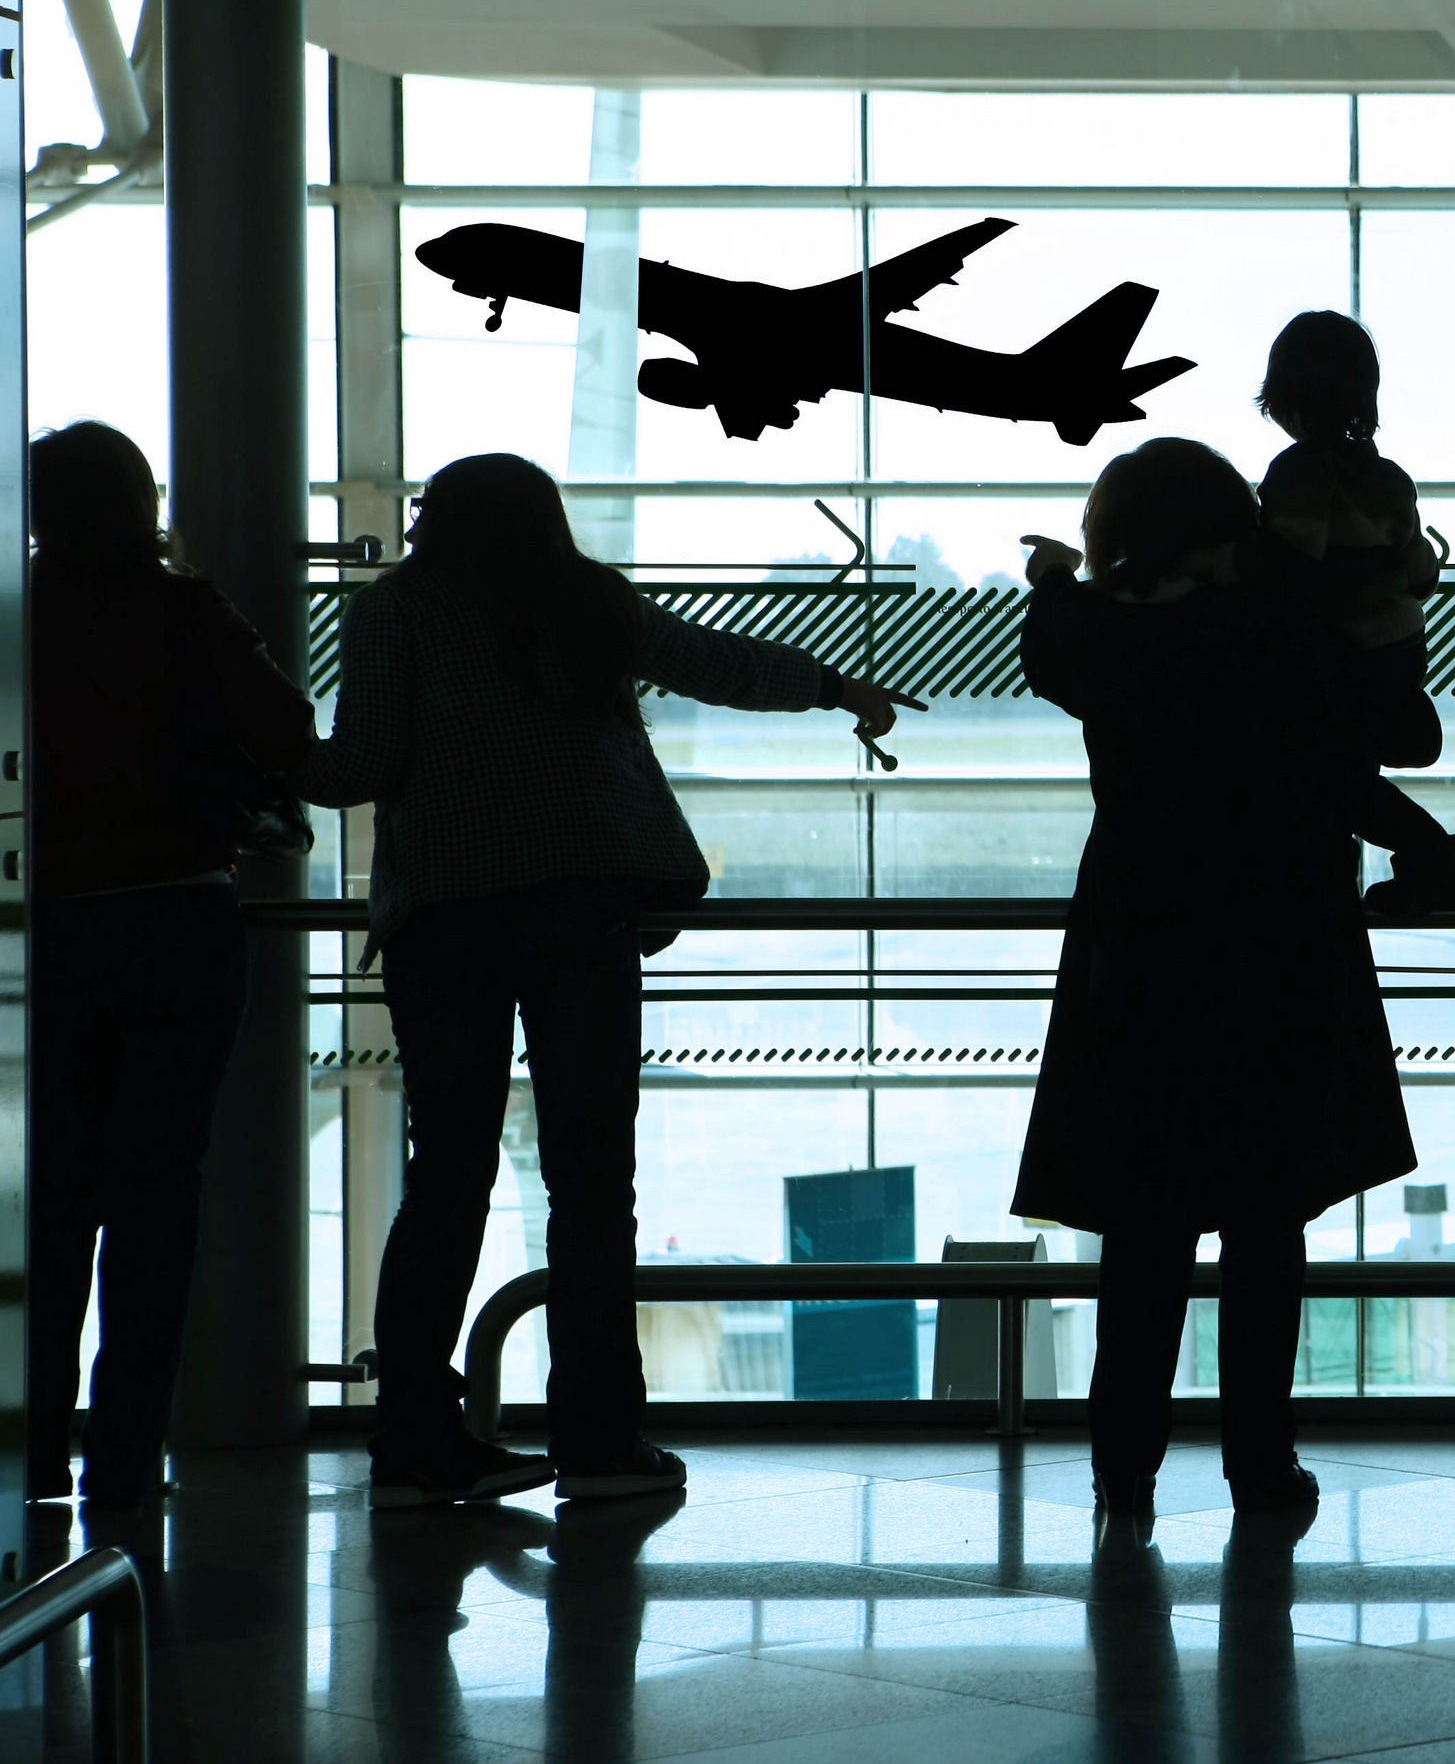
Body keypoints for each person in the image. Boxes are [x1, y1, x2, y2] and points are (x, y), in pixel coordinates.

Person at [301, 453, 922, 1509]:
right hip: (582, 917)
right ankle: (598, 1440)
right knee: (591, 1183)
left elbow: (358, 770)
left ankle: (414, 1438)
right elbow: (718, 665)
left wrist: (252, 752)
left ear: (436, 522)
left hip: (446, 925)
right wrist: (835, 688)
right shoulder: (585, 602)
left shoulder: (394, 612)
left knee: (446, 1177)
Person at [1010, 438, 1432, 1518]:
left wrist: (1058, 575)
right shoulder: (1283, 633)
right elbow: (1360, 759)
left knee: (1144, 1233)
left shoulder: (1106, 641)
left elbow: (1054, 644)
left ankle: (1123, 1468)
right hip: (1280, 947)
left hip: (1144, 953)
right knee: (1264, 1224)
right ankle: (1260, 1461)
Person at [23, 422, 316, 1511]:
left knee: (46, 1199)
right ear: (141, 501)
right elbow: (285, 727)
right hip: (177, 923)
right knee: (155, 1196)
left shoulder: (15, 615)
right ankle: (126, 1457)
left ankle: (30, 1451)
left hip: (45, 928)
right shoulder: (185, 613)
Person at [1254, 308, 1455, 918]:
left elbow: (1293, 571)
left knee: (1331, 780)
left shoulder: (1298, 471)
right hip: (1400, 647)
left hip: (1343, 655)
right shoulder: (1390, 477)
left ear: (1286, 404)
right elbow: (1417, 569)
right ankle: (1429, 858)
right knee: (1345, 773)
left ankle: (1439, 860)